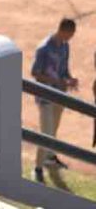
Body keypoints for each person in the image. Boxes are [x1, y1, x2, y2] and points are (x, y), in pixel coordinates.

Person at [31, 18, 79, 183]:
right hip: (45, 97)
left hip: (60, 96)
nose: (71, 38)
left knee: (54, 130)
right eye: (70, 34)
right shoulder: (44, 49)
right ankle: (37, 168)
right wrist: (57, 81)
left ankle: (50, 157)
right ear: (64, 30)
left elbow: (64, 69)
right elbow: (35, 72)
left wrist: (70, 79)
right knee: (46, 133)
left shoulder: (65, 46)